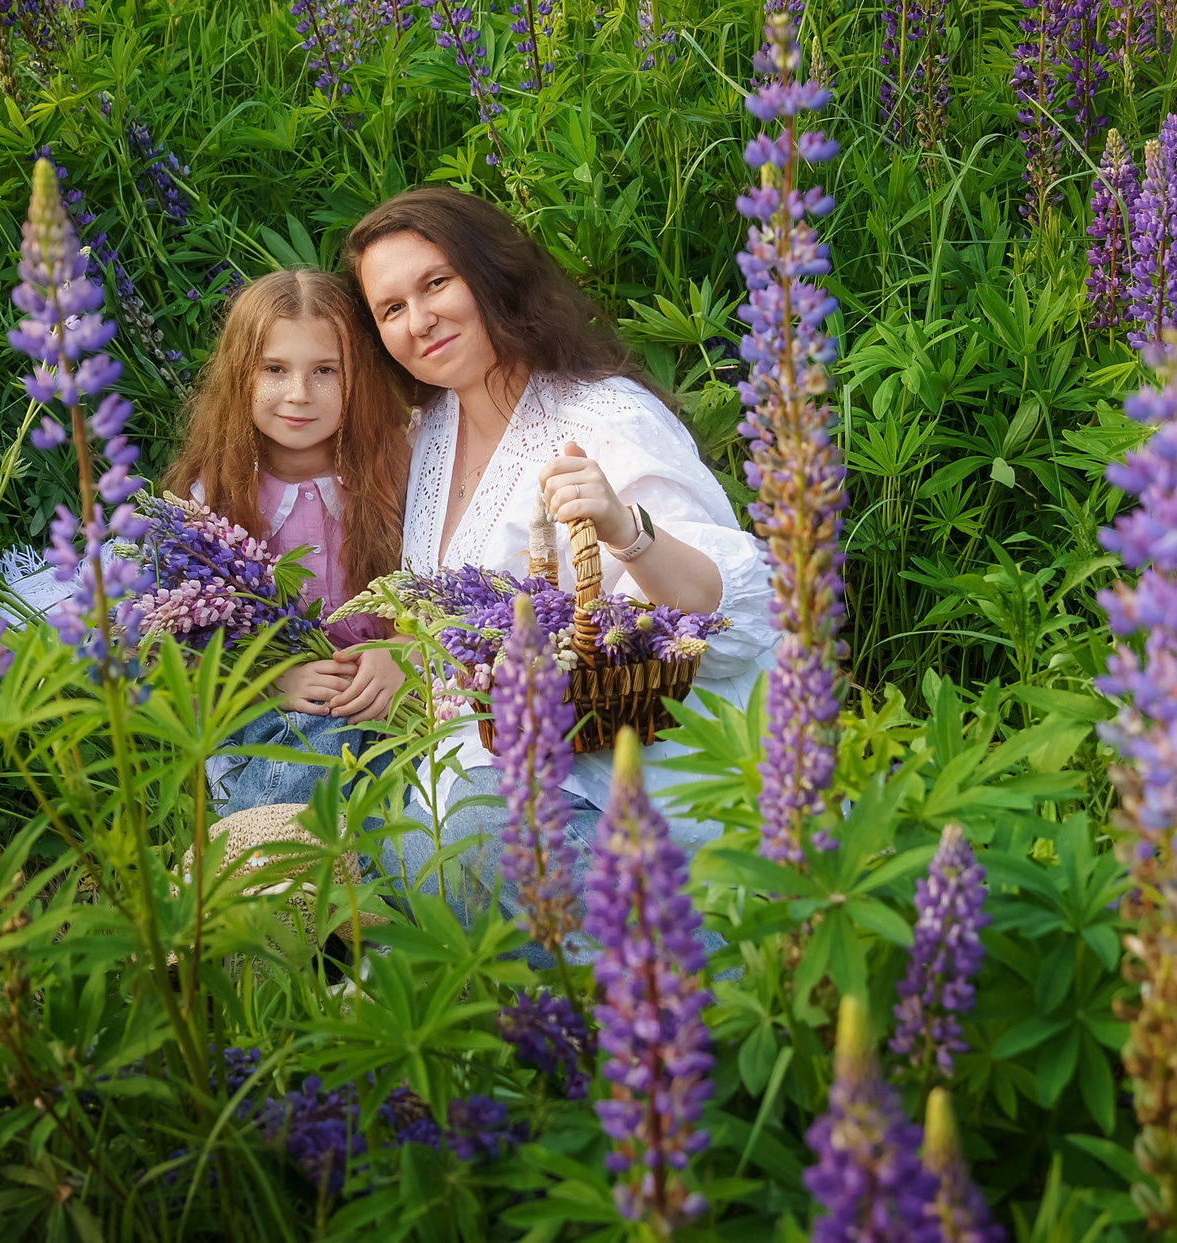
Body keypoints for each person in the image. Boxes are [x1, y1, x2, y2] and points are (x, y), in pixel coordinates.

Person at [343, 188, 772, 938]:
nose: (419, 320)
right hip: (487, 776)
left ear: (490, 273)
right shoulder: (429, 431)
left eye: (436, 283)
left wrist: (627, 532)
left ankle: (705, 976)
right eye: (391, 309)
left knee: (454, 850)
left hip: (633, 777)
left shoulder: (602, 416)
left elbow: (734, 620)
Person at [165, 269, 413, 812]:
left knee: (405, 782)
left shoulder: (398, 469)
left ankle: (336, 854)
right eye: (274, 369)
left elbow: (434, 586)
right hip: (269, 707)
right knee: (308, 751)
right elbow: (192, 645)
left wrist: (403, 651)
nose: (298, 395)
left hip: (389, 694)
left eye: (325, 371)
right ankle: (273, 847)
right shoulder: (216, 494)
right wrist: (272, 683)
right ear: (239, 377)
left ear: (359, 377)